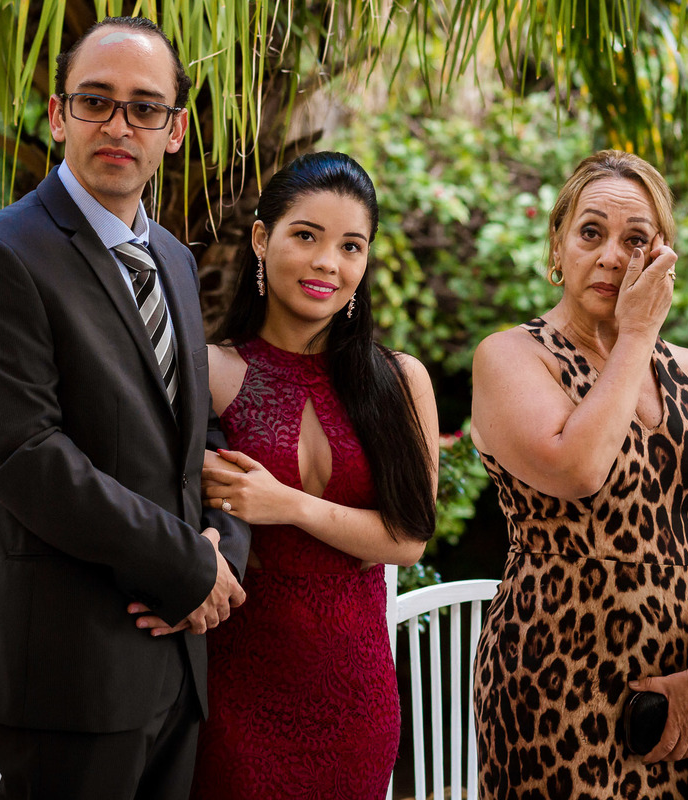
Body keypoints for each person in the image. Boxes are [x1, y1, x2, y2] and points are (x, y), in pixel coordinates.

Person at [0, 17, 249, 798]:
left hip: (175, 662)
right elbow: (25, 457)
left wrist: (223, 552)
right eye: (96, 101)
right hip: (68, 670)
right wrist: (185, 567)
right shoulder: (0, 255)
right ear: (57, 114)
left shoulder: (173, 258)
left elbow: (198, 431)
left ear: (174, 130)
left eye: (145, 107)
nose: (119, 124)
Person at [470, 150, 688, 799]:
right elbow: (578, 469)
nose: (610, 256)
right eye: (591, 232)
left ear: (663, 259)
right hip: (558, 685)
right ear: (557, 245)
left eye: (635, 241)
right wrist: (634, 336)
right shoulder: (512, 356)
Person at [188, 151, 438, 799]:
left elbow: (408, 539)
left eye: (351, 246)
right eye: (307, 236)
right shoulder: (209, 372)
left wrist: (286, 504)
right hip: (238, 693)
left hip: (357, 701)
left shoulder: (400, 381)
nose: (330, 262)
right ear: (262, 240)